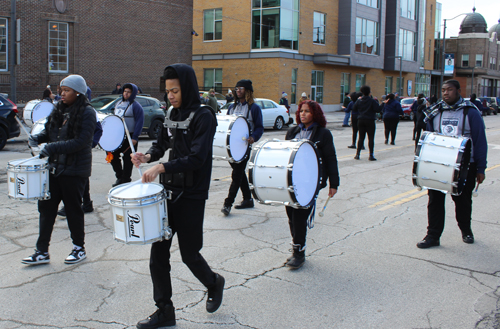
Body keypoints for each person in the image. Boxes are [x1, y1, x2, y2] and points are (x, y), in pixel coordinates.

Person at [131, 64, 224, 328]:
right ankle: (164, 310)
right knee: (158, 254)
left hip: (192, 193)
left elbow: (197, 157)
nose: (170, 96)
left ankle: (213, 282)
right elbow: (162, 144)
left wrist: (161, 167)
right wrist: (147, 156)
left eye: (175, 90)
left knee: (189, 254)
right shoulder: (171, 112)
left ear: (188, 87)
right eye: (168, 90)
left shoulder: (205, 116)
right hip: (169, 192)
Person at [22, 74, 97, 265]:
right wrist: (38, 138)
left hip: (74, 170)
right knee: (46, 209)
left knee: (73, 210)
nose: (62, 94)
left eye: (67, 91)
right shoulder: (59, 110)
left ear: (78, 93)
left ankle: (79, 248)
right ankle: (41, 251)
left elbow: (81, 142)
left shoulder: (87, 112)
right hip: (54, 168)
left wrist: (52, 147)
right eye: (61, 90)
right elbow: (50, 132)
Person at [416, 80, 487, 249]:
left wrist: (481, 168)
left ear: (458, 91)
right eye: (443, 90)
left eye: (449, 90)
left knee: (462, 201)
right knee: (435, 200)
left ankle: (466, 230)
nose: (445, 93)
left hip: (465, 166)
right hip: (439, 165)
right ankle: (433, 236)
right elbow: (428, 139)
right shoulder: (435, 111)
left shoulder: (470, 112)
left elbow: (480, 141)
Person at [284, 100, 339, 268]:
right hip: (292, 181)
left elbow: (330, 158)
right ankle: (296, 249)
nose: (303, 114)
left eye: (307, 111)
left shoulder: (323, 134)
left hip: (311, 182)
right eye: (301, 110)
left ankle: (299, 253)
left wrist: (333, 183)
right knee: (291, 217)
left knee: (300, 217)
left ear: (315, 114)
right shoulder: (293, 131)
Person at [221, 79, 264, 216]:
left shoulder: (254, 108)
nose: (238, 90)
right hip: (231, 148)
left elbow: (259, 127)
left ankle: (228, 204)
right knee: (239, 174)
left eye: (241, 88)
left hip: (245, 147)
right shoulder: (231, 107)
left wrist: (254, 137)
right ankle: (248, 199)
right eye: (236, 88)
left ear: (248, 91)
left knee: (237, 174)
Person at [58, 111, 103, 217]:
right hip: (68, 149)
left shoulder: (89, 111)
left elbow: (98, 129)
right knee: (79, 178)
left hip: (81, 151)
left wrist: (90, 143)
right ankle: (86, 204)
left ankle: (73, 205)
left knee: (77, 178)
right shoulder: (65, 109)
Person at [110, 83, 144, 187]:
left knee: (128, 159)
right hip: (118, 135)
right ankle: (119, 176)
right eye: (125, 91)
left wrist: (135, 137)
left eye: (129, 92)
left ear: (133, 93)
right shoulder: (118, 103)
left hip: (130, 136)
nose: (126, 93)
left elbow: (140, 121)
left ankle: (125, 179)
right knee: (112, 156)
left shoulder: (136, 106)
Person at [353, 85, 380, 161]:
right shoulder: (372, 101)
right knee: (371, 138)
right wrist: (383, 104)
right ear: (369, 92)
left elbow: (354, 108)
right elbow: (377, 109)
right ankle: (371, 155)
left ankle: (357, 154)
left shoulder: (359, 100)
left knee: (361, 137)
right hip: (370, 120)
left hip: (361, 119)